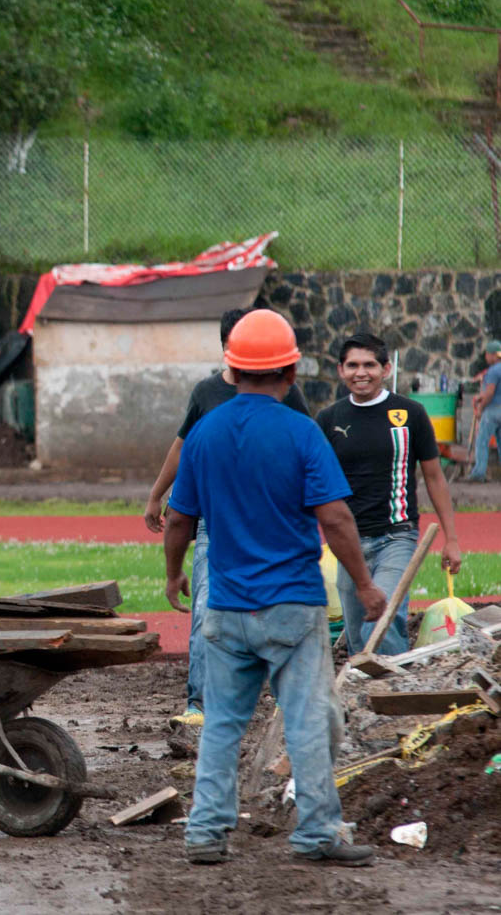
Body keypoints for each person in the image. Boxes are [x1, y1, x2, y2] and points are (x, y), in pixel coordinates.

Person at [165, 309, 384, 867]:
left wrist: (173, 574)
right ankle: (315, 834)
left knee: (221, 725)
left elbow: (178, 520)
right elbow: (335, 518)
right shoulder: (301, 431)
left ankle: (205, 833)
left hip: (227, 606)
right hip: (292, 603)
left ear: (233, 371)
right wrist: (363, 583)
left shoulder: (206, 433)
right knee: (308, 722)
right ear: (290, 371)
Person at [144, 307, 310, 728]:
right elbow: (181, 449)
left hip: (270, 523)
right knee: (207, 612)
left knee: (278, 607)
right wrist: (156, 494)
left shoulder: (287, 393)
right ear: (227, 351)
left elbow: (307, 448)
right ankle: (199, 703)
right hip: (214, 526)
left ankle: (282, 697)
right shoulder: (206, 394)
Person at [316, 333, 462, 655]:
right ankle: (367, 697)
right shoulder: (328, 420)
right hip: (348, 542)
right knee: (358, 634)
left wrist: (451, 538)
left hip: (397, 535)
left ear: (386, 368)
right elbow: (313, 483)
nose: (361, 372)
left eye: (369, 364)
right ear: (341, 370)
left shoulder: (411, 414)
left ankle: (395, 692)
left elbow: (435, 477)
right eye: (352, 365)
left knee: (381, 619)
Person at [466, 339, 501, 483]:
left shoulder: (493, 371)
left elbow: (491, 392)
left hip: (493, 410)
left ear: (493, 355)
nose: (486, 357)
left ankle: (479, 472)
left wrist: (480, 407)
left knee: (482, 441)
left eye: (487, 354)